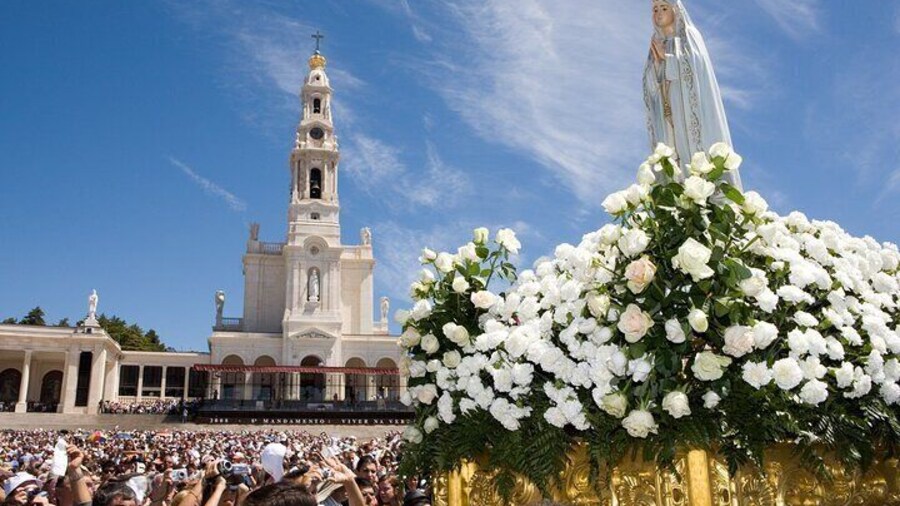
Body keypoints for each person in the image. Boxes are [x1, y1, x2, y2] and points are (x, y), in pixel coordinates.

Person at [643, 0, 742, 190]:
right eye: (655, 9)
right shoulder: (656, 44)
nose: (658, 13)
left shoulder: (689, 36)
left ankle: (701, 193)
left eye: (664, 8)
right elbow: (649, 82)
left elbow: (697, 67)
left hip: (687, 110)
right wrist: (656, 66)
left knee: (692, 154)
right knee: (671, 156)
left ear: (675, 11)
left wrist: (668, 59)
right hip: (666, 111)